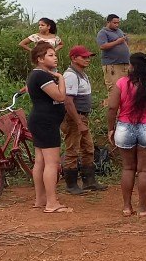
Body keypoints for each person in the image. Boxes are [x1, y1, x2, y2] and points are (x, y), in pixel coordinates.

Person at [107, 53, 146, 216]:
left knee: (128, 168)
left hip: (125, 127)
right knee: (145, 171)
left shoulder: (122, 83)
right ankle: (143, 207)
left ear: (134, 67)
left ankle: (127, 207)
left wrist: (110, 128)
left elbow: (112, 107)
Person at [26, 43, 71, 213]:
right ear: (40, 59)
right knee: (52, 163)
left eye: (54, 54)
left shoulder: (36, 75)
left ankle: (41, 199)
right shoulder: (43, 76)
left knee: (40, 162)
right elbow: (60, 97)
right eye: (50, 55)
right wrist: (61, 78)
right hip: (46, 122)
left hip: (40, 120)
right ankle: (52, 203)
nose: (55, 57)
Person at [61, 45, 107, 195]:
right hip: (75, 117)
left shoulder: (81, 74)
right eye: (84, 57)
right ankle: (71, 184)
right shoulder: (71, 76)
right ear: (74, 58)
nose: (87, 59)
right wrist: (79, 122)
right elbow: (68, 101)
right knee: (73, 150)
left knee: (88, 148)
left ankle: (89, 181)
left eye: (88, 57)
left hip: (81, 116)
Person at [96, 14, 130, 92]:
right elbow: (102, 46)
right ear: (108, 22)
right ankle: (112, 104)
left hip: (124, 64)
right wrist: (117, 42)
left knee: (125, 89)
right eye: (115, 23)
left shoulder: (119, 31)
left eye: (118, 23)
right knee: (114, 89)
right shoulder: (103, 32)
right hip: (112, 65)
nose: (117, 25)